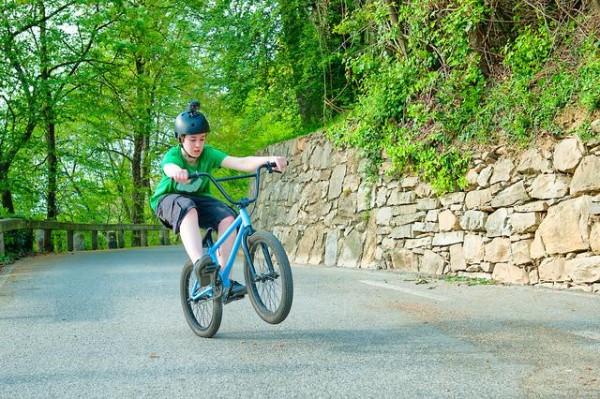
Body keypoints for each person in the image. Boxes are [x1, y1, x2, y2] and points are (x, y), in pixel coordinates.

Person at [150, 101, 288, 300]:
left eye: (202, 139)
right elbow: (168, 167)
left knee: (229, 218)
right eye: (193, 140)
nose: (198, 145)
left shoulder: (208, 154)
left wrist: (269, 160)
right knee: (188, 208)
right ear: (181, 139)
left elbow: (240, 162)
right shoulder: (174, 155)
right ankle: (201, 265)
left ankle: (223, 281)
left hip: (198, 200)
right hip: (167, 201)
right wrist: (176, 172)